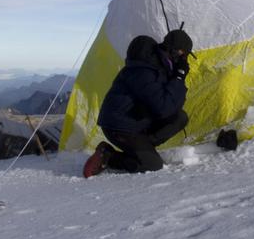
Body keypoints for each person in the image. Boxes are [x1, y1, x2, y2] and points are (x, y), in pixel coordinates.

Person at [82, 29, 193, 177]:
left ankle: (142, 148)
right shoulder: (145, 70)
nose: (184, 60)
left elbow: (173, 107)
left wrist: (175, 77)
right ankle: (109, 156)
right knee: (153, 165)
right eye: (184, 55)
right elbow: (164, 108)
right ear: (176, 52)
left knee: (179, 117)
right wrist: (178, 78)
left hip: (135, 121)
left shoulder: (161, 66)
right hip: (120, 126)